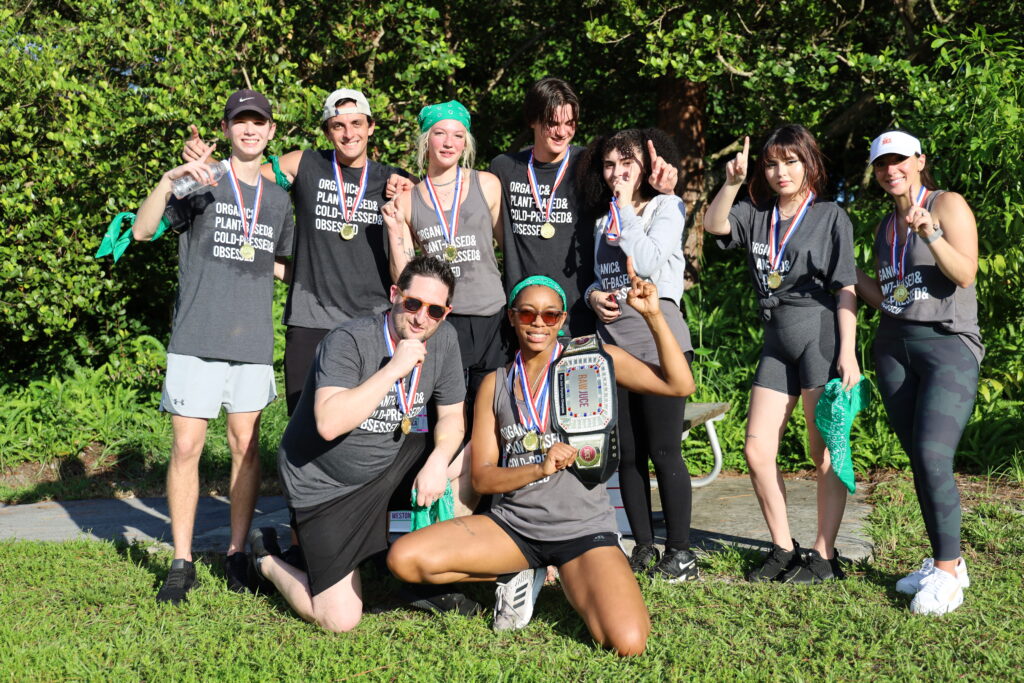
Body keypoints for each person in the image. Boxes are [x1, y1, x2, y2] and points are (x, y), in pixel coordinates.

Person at [386, 267, 696, 656]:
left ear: (562, 320)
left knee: (628, 642)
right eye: (528, 313)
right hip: (514, 528)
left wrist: (653, 315)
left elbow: (679, 385)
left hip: (583, 532)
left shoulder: (593, 360)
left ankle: (571, 574)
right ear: (513, 317)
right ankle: (519, 571)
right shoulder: (494, 384)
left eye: (550, 315)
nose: (539, 323)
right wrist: (539, 468)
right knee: (404, 558)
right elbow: (482, 479)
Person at [248, 256, 472, 632]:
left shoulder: (444, 339)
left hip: (389, 460)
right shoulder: (349, 340)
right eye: (413, 303)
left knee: (471, 455)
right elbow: (330, 423)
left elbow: (452, 416)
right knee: (339, 619)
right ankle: (266, 557)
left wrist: (438, 459)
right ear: (394, 294)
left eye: (434, 310)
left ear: (446, 313)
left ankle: (430, 577)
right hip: (326, 486)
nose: (421, 318)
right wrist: (393, 369)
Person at [131, 89, 295, 604]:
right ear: (226, 129)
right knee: (186, 447)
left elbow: (282, 262)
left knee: (246, 449)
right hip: (196, 337)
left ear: (271, 133)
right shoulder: (201, 180)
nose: (249, 130)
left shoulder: (278, 199)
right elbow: (141, 231)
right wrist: (168, 181)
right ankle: (181, 561)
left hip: (250, 341)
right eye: (240, 122)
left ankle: (236, 552)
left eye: (259, 123)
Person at [184, 88, 414, 415]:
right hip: (311, 319)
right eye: (338, 126)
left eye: (357, 123)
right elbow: (242, 181)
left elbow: (409, 269)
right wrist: (205, 165)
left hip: (373, 320)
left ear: (371, 127)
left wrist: (411, 192)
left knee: (367, 422)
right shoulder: (305, 162)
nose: (349, 134)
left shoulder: (394, 180)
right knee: (303, 421)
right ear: (326, 131)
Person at [703, 124, 859, 584]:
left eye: (790, 161)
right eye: (771, 163)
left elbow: (846, 287)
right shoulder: (756, 213)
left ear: (809, 162)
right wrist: (731, 184)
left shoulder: (831, 216)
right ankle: (782, 547)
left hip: (819, 337)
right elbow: (714, 226)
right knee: (755, 450)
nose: (780, 171)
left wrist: (847, 354)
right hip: (776, 342)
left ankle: (824, 556)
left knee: (824, 452)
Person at [854, 130, 980, 615]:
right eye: (882, 163)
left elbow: (965, 272)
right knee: (923, 464)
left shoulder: (946, 204)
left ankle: (948, 576)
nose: (891, 170)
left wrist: (931, 233)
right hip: (893, 348)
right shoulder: (885, 226)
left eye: (900, 160)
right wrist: (844, 273)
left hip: (948, 347)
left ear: (919, 160)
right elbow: (889, 297)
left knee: (931, 455)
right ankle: (947, 561)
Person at [577, 128, 697, 580]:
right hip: (614, 346)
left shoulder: (667, 207)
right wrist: (592, 296)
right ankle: (644, 545)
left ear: (646, 166)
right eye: (609, 165)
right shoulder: (601, 220)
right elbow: (598, 276)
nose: (617, 173)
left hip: (658, 338)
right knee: (626, 455)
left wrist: (626, 208)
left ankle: (680, 552)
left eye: (626, 164)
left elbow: (647, 263)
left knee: (664, 450)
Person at [488, 77, 678, 336]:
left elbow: (633, 201)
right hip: (525, 313)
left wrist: (664, 190)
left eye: (570, 123)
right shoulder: (503, 168)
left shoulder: (589, 164)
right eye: (552, 123)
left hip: (581, 312)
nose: (562, 132)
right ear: (532, 120)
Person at [382, 100, 505, 425]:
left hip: (493, 318)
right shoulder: (407, 200)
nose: (449, 142)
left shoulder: (488, 184)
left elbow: (510, 247)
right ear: (426, 140)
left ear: (466, 142)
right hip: (442, 320)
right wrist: (395, 228)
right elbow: (404, 275)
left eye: (457, 135)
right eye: (440, 134)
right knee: (449, 414)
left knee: (490, 414)